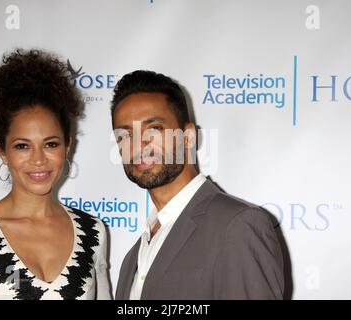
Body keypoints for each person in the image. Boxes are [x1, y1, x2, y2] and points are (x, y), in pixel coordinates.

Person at [0, 49, 111, 300]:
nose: (39, 159)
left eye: (51, 144)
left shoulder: (93, 233)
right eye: (22, 146)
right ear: (3, 152)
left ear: (68, 146)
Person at [112, 70, 284, 299]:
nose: (138, 144)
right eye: (124, 135)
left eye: (154, 129)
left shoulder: (237, 226)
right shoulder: (133, 257)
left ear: (188, 137)